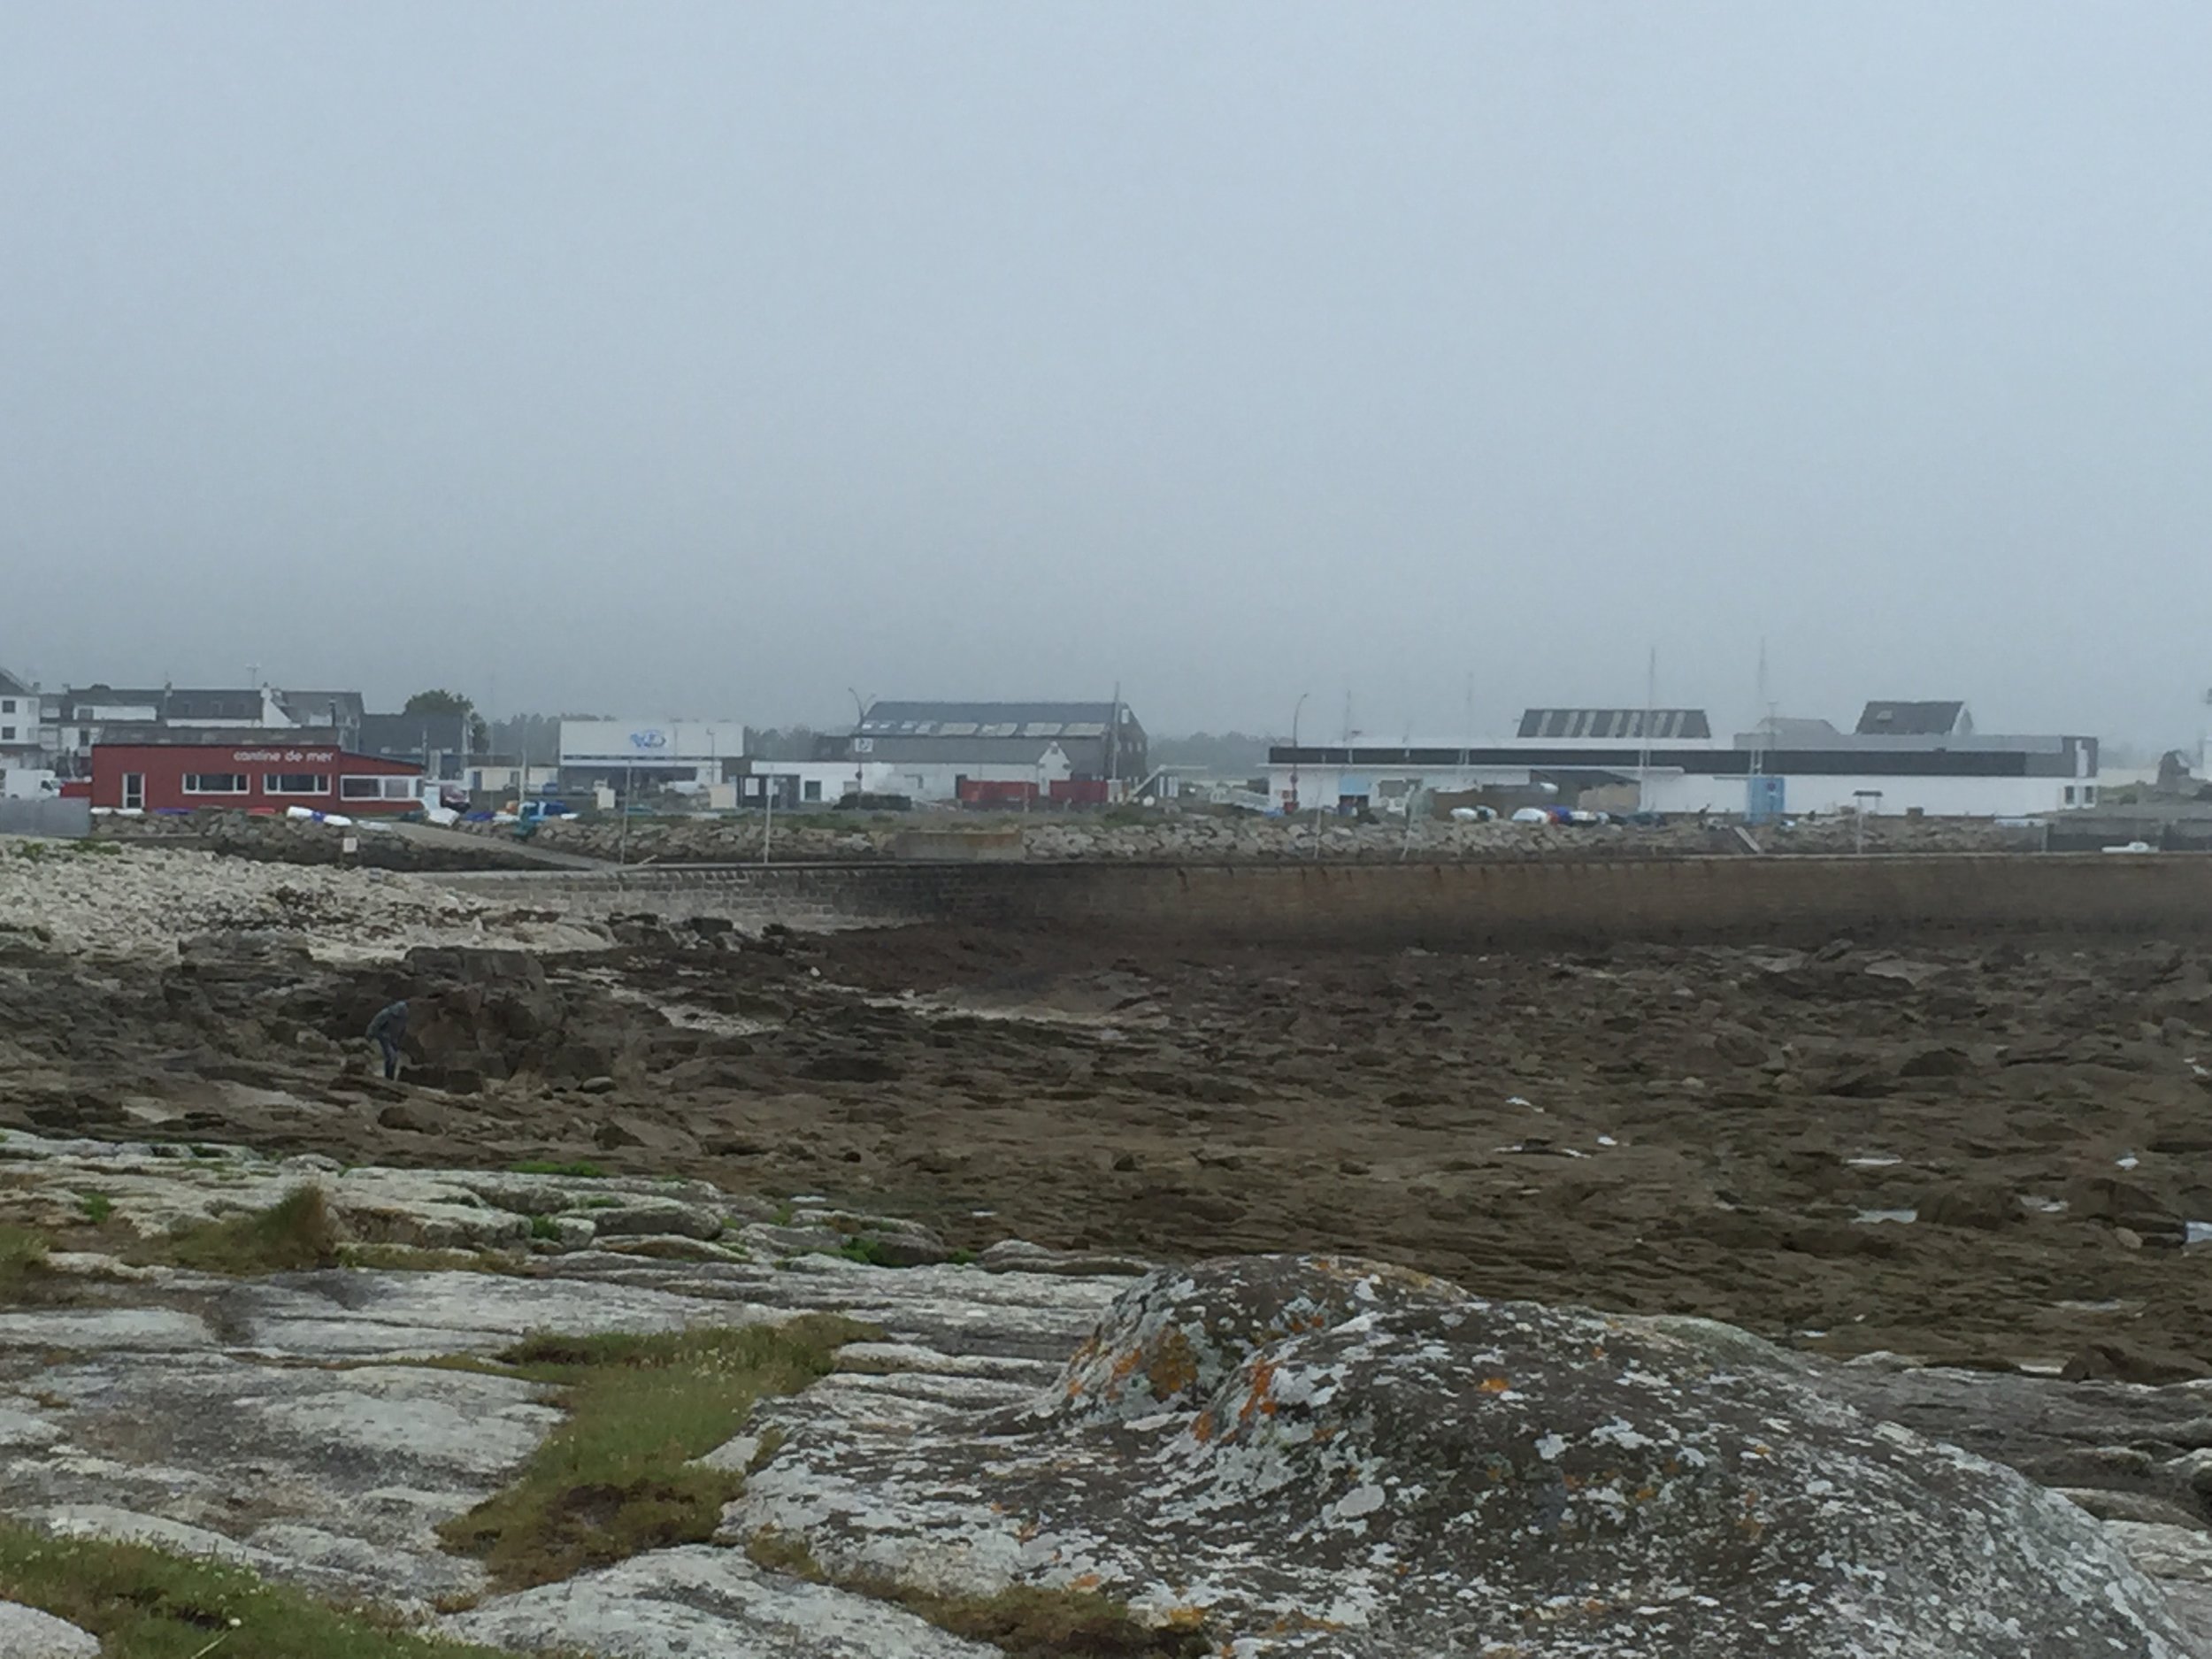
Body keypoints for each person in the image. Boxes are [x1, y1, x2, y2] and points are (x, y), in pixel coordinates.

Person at [365, 999, 410, 1081]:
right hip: (384, 1037)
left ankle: (390, 1077)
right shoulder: (386, 1014)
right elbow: (375, 1024)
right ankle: (388, 1077)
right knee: (391, 1056)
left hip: (394, 1039)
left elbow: (402, 1030)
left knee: (394, 1058)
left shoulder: (404, 1017)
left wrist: (400, 1041)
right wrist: (369, 1036)